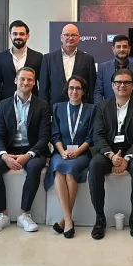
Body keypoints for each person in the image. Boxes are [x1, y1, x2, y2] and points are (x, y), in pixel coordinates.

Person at [0, 67, 51, 234]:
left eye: (30, 79)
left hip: (33, 150)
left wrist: (28, 155)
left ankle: (24, 214)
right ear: (16, 80)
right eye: (22, 79)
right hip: (9, 149)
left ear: (34, 83)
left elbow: (44, 138)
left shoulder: (42, 105)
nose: (25, 82)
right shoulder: (3, 105)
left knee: (35, 167)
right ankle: (2, 214)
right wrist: (4, 156)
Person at [88, 69, 133, 240]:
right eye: (118, 82)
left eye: (127, 82)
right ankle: (100, 217)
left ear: (132, 85)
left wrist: (127, 158)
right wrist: (111, 156)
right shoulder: (102, 107)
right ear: (112, 85)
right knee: (95, 165)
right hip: (109, 150)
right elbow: (98, 135)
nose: (122, 85)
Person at [45, 76, 96, 239]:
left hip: (82, 152)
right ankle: (68, 220)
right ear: (67, 90)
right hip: (60, 151)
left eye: (78, 88)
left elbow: (91, 137)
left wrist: (78, 152)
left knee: (70, 169)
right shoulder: (57, 107)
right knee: (59, 169)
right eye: (71, 88)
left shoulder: (91, 109)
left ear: (83, 91)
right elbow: (54, 134)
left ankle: (64, 220)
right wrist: (61, 151)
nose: (74, 91)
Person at [40, 23, 96, 106]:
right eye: (67, 35)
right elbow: (43, 89)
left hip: (81, 108)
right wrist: (45, 109)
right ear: (61, 37)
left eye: (74, 35)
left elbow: (91, 88)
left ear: (79, 38)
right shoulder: (48, 59)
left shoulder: (88, 59)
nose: (70, 38)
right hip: (55, 108)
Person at [0, 20, 43, 104]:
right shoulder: (0, 58)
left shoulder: (38, 57)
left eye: (22, 34)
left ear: (27, 36)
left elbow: (43, 84)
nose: (18, 36)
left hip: (32, 103)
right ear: (10, 36)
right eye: (15, 34)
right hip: (7, 104)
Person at [94, 34, 133, 104]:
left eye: (125, 47)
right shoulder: (103, 68)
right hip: (109, 109)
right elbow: (98, 92)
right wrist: (100, 109)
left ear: (129, 48)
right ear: (113, 48)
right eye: (118, 47)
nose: (122, 49)